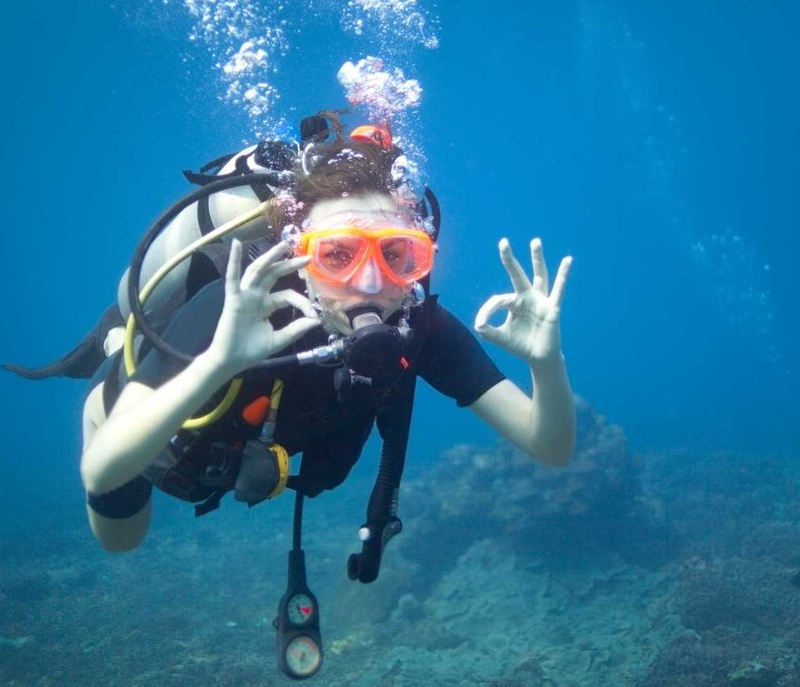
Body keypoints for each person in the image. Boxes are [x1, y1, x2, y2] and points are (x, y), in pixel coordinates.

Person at [68, 113, 574, 554]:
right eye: (338, 254)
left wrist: (545, 364)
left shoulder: (419, 326)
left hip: (254, 450)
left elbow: (550, 447)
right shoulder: (240, 308)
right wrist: (217, 363)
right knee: (122, 541)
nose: (371, 282)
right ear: (298, 259)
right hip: (158, 439)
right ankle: (117, 342)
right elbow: (104, 472)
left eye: (396, 253)